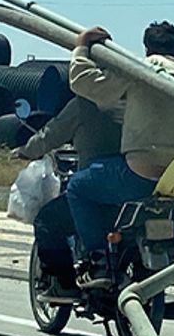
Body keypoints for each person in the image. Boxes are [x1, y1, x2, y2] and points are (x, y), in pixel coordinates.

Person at [64, 21, 174, 288]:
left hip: (141, 175)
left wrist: (81, 46)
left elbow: (84, 83)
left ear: (147, 49)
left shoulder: (145, 68)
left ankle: (98, 260)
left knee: (78, 188)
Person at [12, 95, 124, 294]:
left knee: (47, 220)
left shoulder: (85, 103)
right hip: (140, 183)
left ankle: (65, 284)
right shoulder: (138, 100)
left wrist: (27, 150)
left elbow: (53, 133)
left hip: (98, 182)